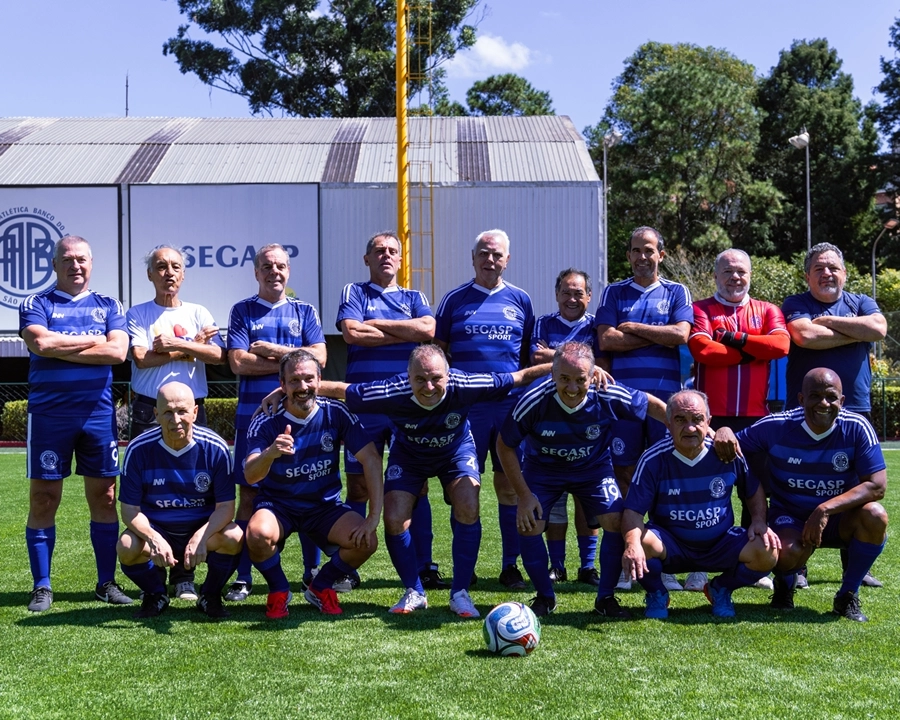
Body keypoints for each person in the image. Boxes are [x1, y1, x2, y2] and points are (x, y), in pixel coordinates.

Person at [315, 344, 563, 618]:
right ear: (408, 377)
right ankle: (414, 590)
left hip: (455, 452)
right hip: (409, 455)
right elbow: (342, 390)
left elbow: (520, 376)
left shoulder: (467, 383)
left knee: (468, 503)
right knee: (395, 516)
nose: (429, 386)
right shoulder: (391, 390)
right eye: (420, 379)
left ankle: (460, 593)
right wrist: (289, 390)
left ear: (449, 374)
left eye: (436, 378)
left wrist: (573, 369)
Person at [497, 341, 668, 617]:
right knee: (529, 525)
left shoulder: (607, 391)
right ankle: (545, 597)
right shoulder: (533, 399)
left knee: (615, 520)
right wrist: (525, 496)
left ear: (593, 375)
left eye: (580, 380)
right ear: (552, 374)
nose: (572, 388)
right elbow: (504, 445)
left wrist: (681, 423)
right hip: (543, 471)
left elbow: (650, 404)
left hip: (593, 469)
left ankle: (606, 598)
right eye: (564, 379)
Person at [714, 368, 888, 622]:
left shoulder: (857, 427)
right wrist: (725, 430)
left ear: (842, 401)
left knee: (875, 516)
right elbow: (732, 446)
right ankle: (785, 585)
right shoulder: (776, 426)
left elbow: (877, 486)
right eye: (814, 396)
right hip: (790, 517)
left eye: (831, 397)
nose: (823, 404)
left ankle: (847, 594)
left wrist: (825, 509)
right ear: (800, 399)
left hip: (839, 518)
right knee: (784, 552)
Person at [20, 235, 133, 612]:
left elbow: (117, 351)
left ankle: (105, 583)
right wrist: (90, 341)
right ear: (54, 265)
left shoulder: (109, 305)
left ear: (91, 262)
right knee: (43, 498)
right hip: (50, 416)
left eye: (82, 259)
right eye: (67, 259)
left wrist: (61, 343)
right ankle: (42, 586)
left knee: (105, 498)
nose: (76, 265)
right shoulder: (37, 303)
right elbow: (40, 345)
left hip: (98, 415)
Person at [244, 350, 383, 618]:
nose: (303, 387)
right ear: (282, 385)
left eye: (309, 379)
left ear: (320, 380)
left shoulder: (336, 412)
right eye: (294, 381)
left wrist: (373, 517)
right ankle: (279, 589)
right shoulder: (265, 419)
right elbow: (251, 475)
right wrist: (270, 453)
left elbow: (372, 460)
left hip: (323, 507)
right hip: (278, 506)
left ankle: (320, 586)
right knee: (258, 535)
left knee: (367, 541)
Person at [337, 231, 441, 589]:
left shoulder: (415, 296)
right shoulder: (354, 292)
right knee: (357, 488)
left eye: (392, 251)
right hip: (364, 405)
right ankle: (346, 567)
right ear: (366, 259)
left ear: (400, 259)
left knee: (417, 487)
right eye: (378, 251)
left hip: (406, 405)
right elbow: (352, 333)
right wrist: (405, 333)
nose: (385, 256)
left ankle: (425, 565)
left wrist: (377, 324)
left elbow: (427, 329)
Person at [225, 243, 327, 602]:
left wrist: (270, 349)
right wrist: (293, 366)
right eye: (267, 266)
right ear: (256, 272)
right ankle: (243, 575)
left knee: (309, 489)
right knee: (249, 493)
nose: (274, 271)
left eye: (280, 265)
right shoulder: (242, 311)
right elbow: (238, 362)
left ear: (288, 271)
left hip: (302, 421)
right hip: (253, 417)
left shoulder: (305, 311)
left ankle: (311, 572)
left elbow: (321, 359)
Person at [622, 389, 780, 619]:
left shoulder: (726, 452)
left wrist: (758, 520)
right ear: (667, 423)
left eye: (697, 420)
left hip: (720, 544)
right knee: (635, 540)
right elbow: (633, 512)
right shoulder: (653, 458)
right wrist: (632, 543)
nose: (690, 428)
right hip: (671, 544)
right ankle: (657, 593)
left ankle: (721, 588)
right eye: (680, 420)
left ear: (708, 422)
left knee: (769, 549)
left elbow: (753, 488)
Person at [782, 242, 887, 589]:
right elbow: (804, 335)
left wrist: (831, 322)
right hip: (804, 411)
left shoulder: (861, 301)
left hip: (854, 407)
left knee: (857, 485)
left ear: (844, 273)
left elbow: (878, 330)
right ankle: (797, 565)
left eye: (833, 268)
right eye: (819, 269)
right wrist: (853, 331)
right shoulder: (796, 303)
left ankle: (855, 564)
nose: (827, 273)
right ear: (807, 275)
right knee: (795, 483)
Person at [595, 226, 693, 593]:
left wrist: (634, 327)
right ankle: (627, 561)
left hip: (667, 404)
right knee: (625, 477)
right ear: (629, 255)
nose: (642, 257)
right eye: (635, 250)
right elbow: (607, 339)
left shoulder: (676, 291)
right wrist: (657, 332)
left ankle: (662, 559)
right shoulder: (614, 292)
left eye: (648, 250)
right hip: (622, 404)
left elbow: (681, 334)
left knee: (666, 479)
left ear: (661, 255)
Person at [435, 229, 535, 590]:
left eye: (497, 255)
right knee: (465, 487)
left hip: (508, 406)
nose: (490, 260)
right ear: (472, 257)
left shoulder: (521, 300)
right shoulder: (453, 300)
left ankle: (511, 566)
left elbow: (525, 357)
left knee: (509, 487)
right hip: (467, 409)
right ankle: (466, 567)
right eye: (483, 254)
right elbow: (438, 350)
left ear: (507, 259)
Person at [126, 244, 227, 601]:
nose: (169, 272)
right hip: (148, 411)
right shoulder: (138, 314)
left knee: (192, 492)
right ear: (150, 274)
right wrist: (190, 346)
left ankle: (184, 575)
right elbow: (141, 358)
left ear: (183, 274)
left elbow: (217, 355)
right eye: (161, 266)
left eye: (175, 267)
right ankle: (155, 570)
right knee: (150, 491)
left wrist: (172, 344)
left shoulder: (199, 311)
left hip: (191, 409)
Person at [686, 248, 790, 592]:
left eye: (741, 272)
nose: (735, 277)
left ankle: (754, 560)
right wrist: (751, 349)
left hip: (754, 417)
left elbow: (780, 345)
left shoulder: (768, 309)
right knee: (704, 491)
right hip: (707, 418)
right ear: (716, 276)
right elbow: (703, 350)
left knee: (754, 490)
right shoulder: (700, 309)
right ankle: (696, 566)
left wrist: (736, 340)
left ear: (750, 275)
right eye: (728, 271)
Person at [117, 383, 242, 619]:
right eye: (167, 412)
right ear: (156, 415)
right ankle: (156, 593)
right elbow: (129, 511)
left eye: (182, 411)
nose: (175, 419)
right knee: (126, 546)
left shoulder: (216, 448)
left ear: (195, 412)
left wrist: (201, 536)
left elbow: (226, 508)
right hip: (158, 529)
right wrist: (153, 538)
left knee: (234, 536)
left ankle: (210, 594)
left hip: (201, 528)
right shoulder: (138, 449)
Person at [530, 269, 602, 587]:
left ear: (588, 296)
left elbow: (602, 368)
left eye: (579, 293)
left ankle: (588, 566)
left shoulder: (597, 325)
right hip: (551, 422)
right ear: (557, 294)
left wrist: (555, 355)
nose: (572, 298)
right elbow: (535, 360)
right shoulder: (543, 323)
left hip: (589, 423)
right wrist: (578, 361)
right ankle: (557, 566)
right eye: (566, 292)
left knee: (588, 504)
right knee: (556, 505)